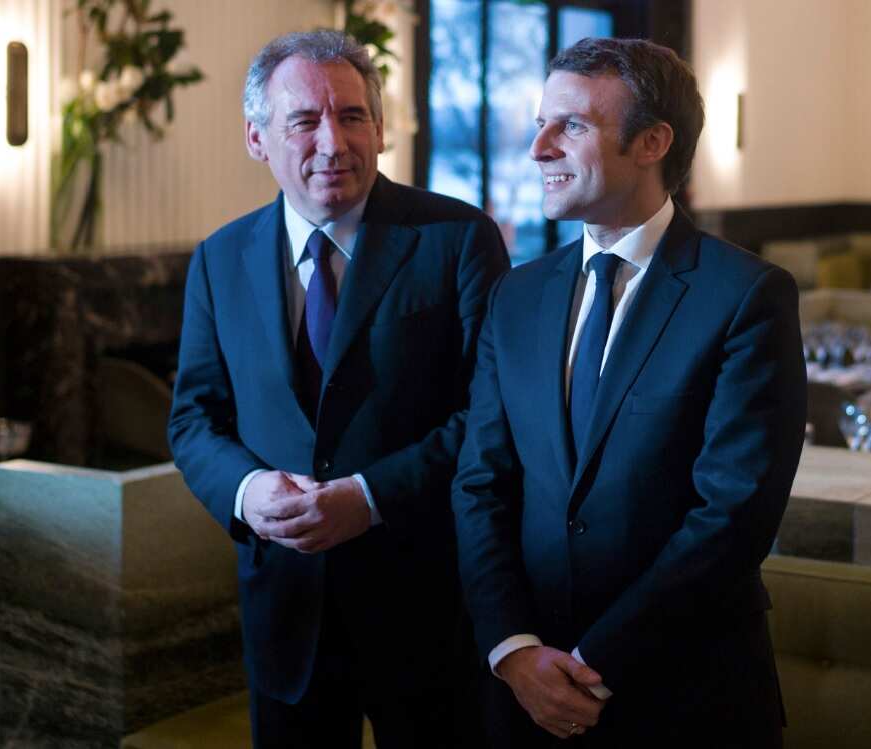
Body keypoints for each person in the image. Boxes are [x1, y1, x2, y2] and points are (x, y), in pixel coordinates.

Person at [452, 37, 806, 747]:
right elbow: (481, 483)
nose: (539, 149)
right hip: (523, 691)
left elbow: (732, 516)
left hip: (686, 696)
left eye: (571, 125)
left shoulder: (746, 296)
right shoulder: (516, 295)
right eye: (541, 124)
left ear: (652, 142)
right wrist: (513, 648)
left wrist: (593, 666)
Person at [169, 30, 508, 748]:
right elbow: (194, 419)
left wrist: (368, 497)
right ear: (257, 139)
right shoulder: (219, 259)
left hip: (426, 607)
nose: (334, 142)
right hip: (284, 611)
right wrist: (246, 493)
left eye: (353, 116)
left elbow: (491, 416)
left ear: (380, 129)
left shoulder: (457, 239)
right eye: (304, 121)